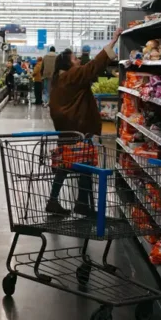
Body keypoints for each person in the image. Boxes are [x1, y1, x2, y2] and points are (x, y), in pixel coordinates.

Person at [47, 28, 122, 216]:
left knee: (67, 163)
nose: (78, 60)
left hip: (67, 129)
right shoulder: (71, 75)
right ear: (67, 63)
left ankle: (62, 201)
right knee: (85, 162)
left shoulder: (59, 79)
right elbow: (93, 66)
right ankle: (81, 204)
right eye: (75, 59)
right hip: (78, 127)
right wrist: (112, 41)